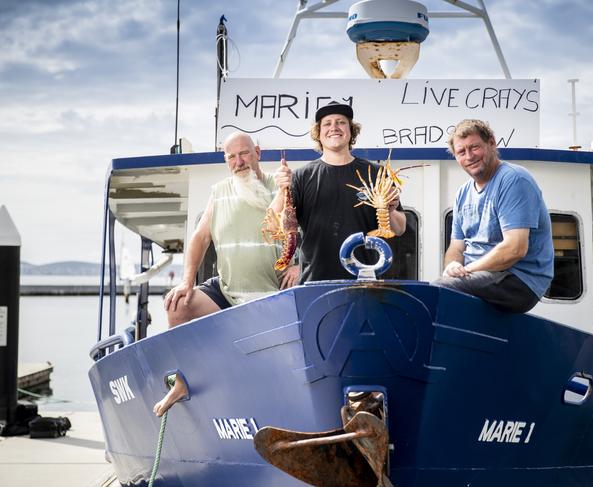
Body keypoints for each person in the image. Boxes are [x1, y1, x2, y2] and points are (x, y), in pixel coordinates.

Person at [153, 131, 299, 416]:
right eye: (231, 156)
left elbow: (308, 229)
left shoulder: (280, 185)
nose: (238, 161)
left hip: (272, 293)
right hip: (229, 289)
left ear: (258, 152)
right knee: (178, 305)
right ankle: (182, 381)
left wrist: (299, 266)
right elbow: (200, 237)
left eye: (244, 153)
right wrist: (186, 281)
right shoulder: (219, 192)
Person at [272, 101, 406, 282]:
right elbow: (273, 223)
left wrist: (389, 210)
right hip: (314, 280)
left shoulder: (376, 173)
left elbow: (400, 228)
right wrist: (282, 190)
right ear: (318, 134)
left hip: (366, 279)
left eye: (341, 122)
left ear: (351, 131)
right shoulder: (301, 176)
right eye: (327, 123)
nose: (334, 127)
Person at [436, 119, 554, 313]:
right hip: (481, 275)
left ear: (491, 143)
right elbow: (456, 247)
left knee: (441, 291)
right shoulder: (463, 193)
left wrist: (466, 271)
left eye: (474, 147)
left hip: (517, 278)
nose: (469, 156)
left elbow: (515, 249)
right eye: (461, 152)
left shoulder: (514, 179)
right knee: (434, 288)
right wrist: (453, 266)